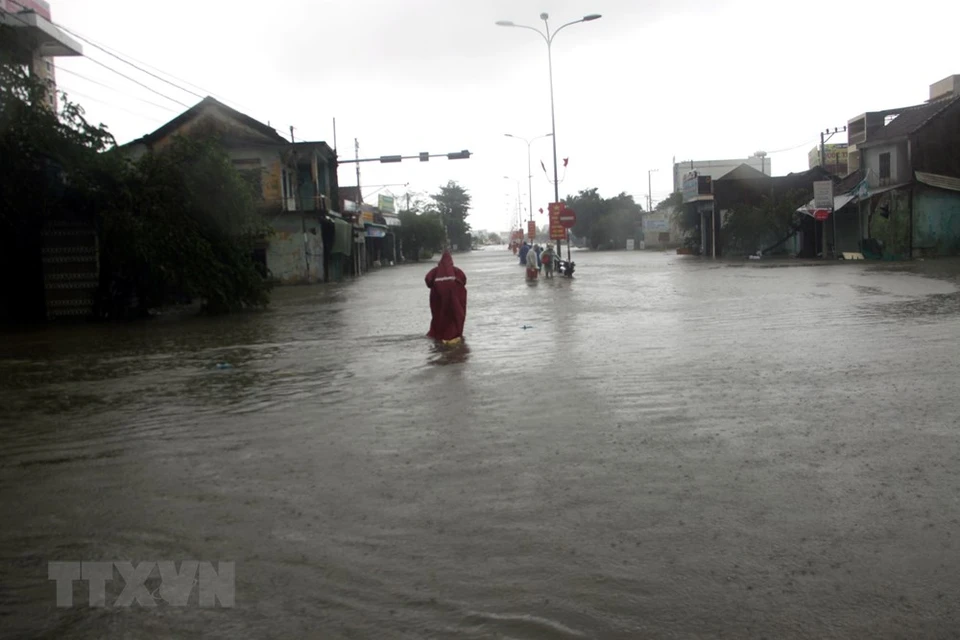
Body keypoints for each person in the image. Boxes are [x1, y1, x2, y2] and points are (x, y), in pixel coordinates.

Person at [425, 250, 467, 344]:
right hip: (454, 301)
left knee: (439, 317)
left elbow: (428, 280)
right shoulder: (456, 271)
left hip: (439, 301)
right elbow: (464, 280)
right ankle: (454, 334)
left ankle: (439, 336)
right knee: (455, 316)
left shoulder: (435, 271)